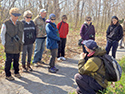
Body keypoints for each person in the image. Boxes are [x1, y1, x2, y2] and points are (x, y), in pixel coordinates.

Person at [1, 7, 24, 80]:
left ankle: (16, 72)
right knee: (8, 61)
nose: (16, 17)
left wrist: (22, 41)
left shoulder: (20, 23)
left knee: (17, 60)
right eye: (15, 15)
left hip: (17, 45)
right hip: (9, 45)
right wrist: (4, 43)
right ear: (11, 15)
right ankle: (8, 75)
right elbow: (2, 34)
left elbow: (22, 33)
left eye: (17, 15)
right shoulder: (6, 23)